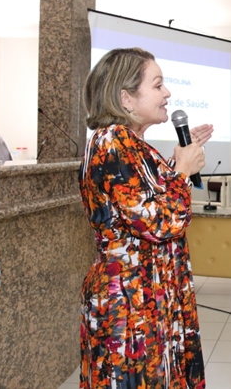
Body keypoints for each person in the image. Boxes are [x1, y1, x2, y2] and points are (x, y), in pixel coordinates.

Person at [79, 48, 211, 388]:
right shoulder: (113, 142)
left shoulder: (130, 144)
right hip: (130, 301)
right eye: (157, 85)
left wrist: (179, 160)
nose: (167, 93)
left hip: (147, 293)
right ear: (126, 98)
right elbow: (159, 222)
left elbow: (146, 199)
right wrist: (183, 171)